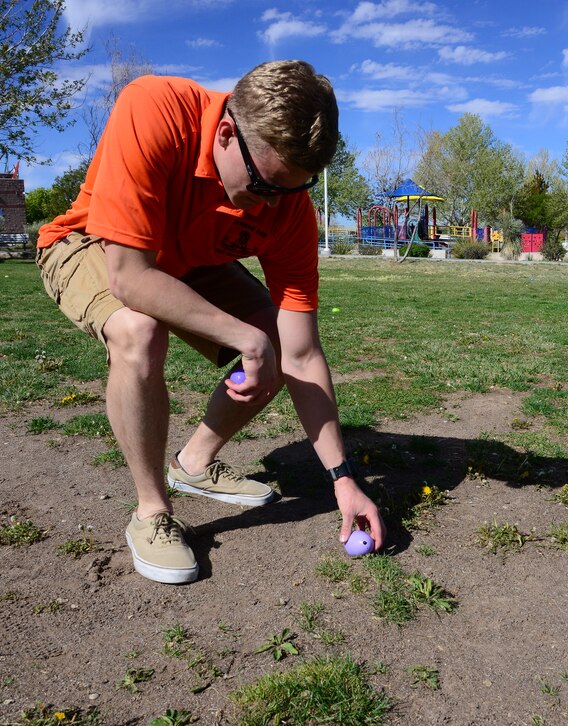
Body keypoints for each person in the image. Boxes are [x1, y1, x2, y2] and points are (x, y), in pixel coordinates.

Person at [36, 60, 385, 585]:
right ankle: (152, 512)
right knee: (138, 329)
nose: (277, 206)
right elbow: (130, 277)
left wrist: (343, 479)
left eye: (295, 189)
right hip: (91, 243)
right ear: (226, 133)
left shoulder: (288, 204)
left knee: (276, 340)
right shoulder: (153, 108)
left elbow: (303, 353)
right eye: (267, 187)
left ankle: (193, 464)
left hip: (189, 262)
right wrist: (244, 337)